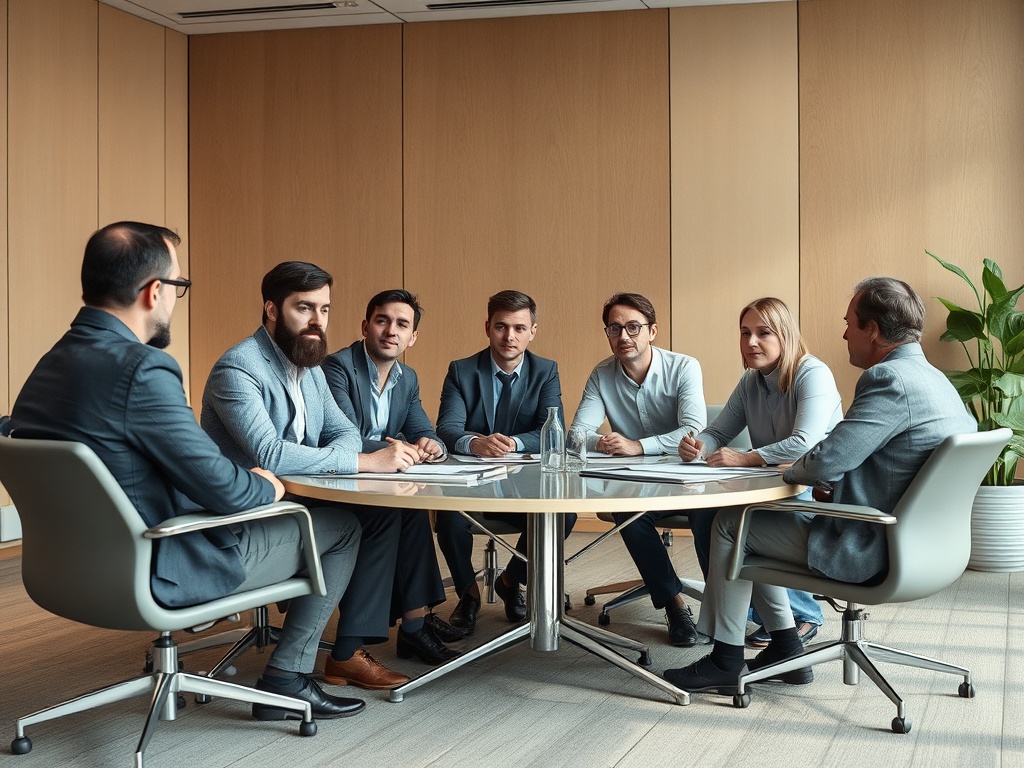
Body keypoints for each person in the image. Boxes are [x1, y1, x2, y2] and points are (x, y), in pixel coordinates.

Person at [9, 222, 365, 721]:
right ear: (154, 292)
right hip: (157, 564)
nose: (177, 297)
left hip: (67, 570)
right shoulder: (143, 369)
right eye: (179, 285)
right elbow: (224, 489)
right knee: (342, 528)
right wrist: (265, 483)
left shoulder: (51, 365)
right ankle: (288, 677)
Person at [665, 277, 976, 693]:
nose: (845, 333)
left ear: (874, 331)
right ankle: (787, 647)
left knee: (732, 524)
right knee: (752, 524)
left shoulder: (887, 379)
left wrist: (788, 469)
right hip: (932, 545)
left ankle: (726, 659)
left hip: (875, 542)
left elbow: (825, 460)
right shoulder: (935, 379)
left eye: (849, 323)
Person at [202, 263, 458, 693]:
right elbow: (271, 453)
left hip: (296, 497)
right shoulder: (239, 368)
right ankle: (343, 655)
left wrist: (348, 454)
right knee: (363, 520)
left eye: (323, 309)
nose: (317, 320)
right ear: (271, 309)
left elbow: (344, 433)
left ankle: (348, 652)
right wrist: (365, 461)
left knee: (389, 511)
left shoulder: (311, 368)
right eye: (304, 308)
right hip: (251, 514)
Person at [678, 297, 842, 647]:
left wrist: (746, 458)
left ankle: (802, 615)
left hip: (816, 485)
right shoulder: (751, 380)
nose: (751, 342)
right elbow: (718, 431)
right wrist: (699, 445)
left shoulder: (813, 374)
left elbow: (805, 443)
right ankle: (729, 614)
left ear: (785, 335)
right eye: (744, 333)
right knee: (705, 515)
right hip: (774, 480)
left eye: (763, 333)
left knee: (747, 521)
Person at [321, 289, 470, 643]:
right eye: (382, 320)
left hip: (380, 478)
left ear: (412, 337)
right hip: (337, 477)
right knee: (398, 508)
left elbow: (424, 432)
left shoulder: (408, 378)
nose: (391, 330)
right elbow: (340, 436)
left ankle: (415, 624)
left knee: (412, 506)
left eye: (402, 324)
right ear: (365, 326)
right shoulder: (337, 367)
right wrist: (399, 451)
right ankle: (403, 629)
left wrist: (432, 447)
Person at [435, 290, 577, 632]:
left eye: (518, 328)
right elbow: (448, 428)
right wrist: (475, 443)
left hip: (525, 483)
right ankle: (468, 594)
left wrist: (511, 442)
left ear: (533, 331)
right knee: (449, 517)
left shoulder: (546, 371)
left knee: (565, 513)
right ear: (487, 327)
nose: (509, 336)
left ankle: (511, 581)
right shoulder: (462, 370)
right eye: (501, 327)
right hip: (473, 481)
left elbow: (552, 427)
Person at [570, 292, 706, 647]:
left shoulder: (683, 367)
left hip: (684, 479)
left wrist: (637, 445)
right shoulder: (602, 374)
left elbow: (693, 429)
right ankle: (674, 604)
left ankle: (726, 608)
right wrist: (601, 442)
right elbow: (576, 434)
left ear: (652, 331)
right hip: (635, 484)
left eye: (633, 327)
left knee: (711, 512)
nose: (623, 336)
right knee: (626, 508)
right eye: (614, 328)